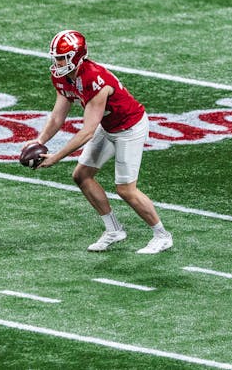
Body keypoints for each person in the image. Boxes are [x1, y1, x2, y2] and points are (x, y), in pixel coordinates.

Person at [23, 29, 173, 254]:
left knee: (125, 189)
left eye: (62, 57)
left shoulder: (95, 79)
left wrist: (55, 157)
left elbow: (87, 132)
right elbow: (57, 116)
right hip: (108, 125)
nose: (58, 62)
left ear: (77, 55)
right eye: (56, 57)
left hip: (129, 128)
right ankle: (114, 230)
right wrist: (39, 140)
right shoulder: (62, 76)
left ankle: (162, 235)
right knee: (81, 176)